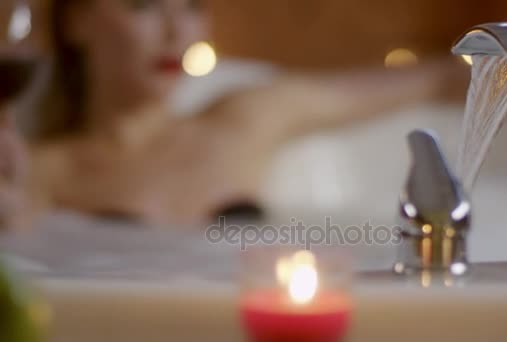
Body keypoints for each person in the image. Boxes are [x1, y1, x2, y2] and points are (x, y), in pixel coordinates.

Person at [0, 0, 467, 227]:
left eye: (192, 5)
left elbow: (435, 79)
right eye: (144, 3)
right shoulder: (37, 172)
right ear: (75, 21)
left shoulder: (246, 118)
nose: (176, 29)